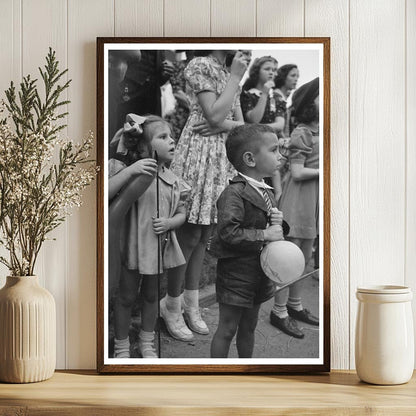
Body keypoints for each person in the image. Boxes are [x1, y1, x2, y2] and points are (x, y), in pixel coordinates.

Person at [159, 50, 250, 342]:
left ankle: (190, 302)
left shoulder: (227, 70)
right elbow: (212, 113)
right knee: (187, 235)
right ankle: (170, 304)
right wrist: (236, 77)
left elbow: (240, 124)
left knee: (203, 236)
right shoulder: (202, 64)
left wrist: (221, 124)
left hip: (219, 156)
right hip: (198, 153)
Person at [210, 124, 290, 358]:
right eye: (274, 150)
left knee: (249, 326)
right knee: (227, 329)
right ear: (250, 159)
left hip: (260, 274)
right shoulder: (233, 193)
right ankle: (217, 378)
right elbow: (228, 232)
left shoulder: (265, 191)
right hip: (236, 276)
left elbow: (271, 228)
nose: (280, 155)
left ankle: (246, 371)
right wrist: (265, 235)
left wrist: (278, 222)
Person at [110, 115, 187, 358]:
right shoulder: (131, 171)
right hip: (131, 248)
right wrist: (131, 169)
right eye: (163, 137)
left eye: (171, 136)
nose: (171, 141)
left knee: (152, 296)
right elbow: (106, 192)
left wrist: (170, 222)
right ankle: (121, 345)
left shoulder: (174, 181)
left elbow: (183, 213)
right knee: (126, 296)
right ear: (144, 146)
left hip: (157, 250)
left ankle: (147, 343)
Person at [269, 77, 320, 339]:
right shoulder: (302, 132)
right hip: (299, 198)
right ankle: (278, 311)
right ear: (310, 103)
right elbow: (298, 172)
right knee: (291, 258)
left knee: (306, 256)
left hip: (312, 201)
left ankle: (295, 305)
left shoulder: (319, 131)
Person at [273, 64, 299, 137]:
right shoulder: (276, 97)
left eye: (297, 76)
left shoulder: (280, 98)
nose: (296, 79)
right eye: (293, 75)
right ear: (283, 77)